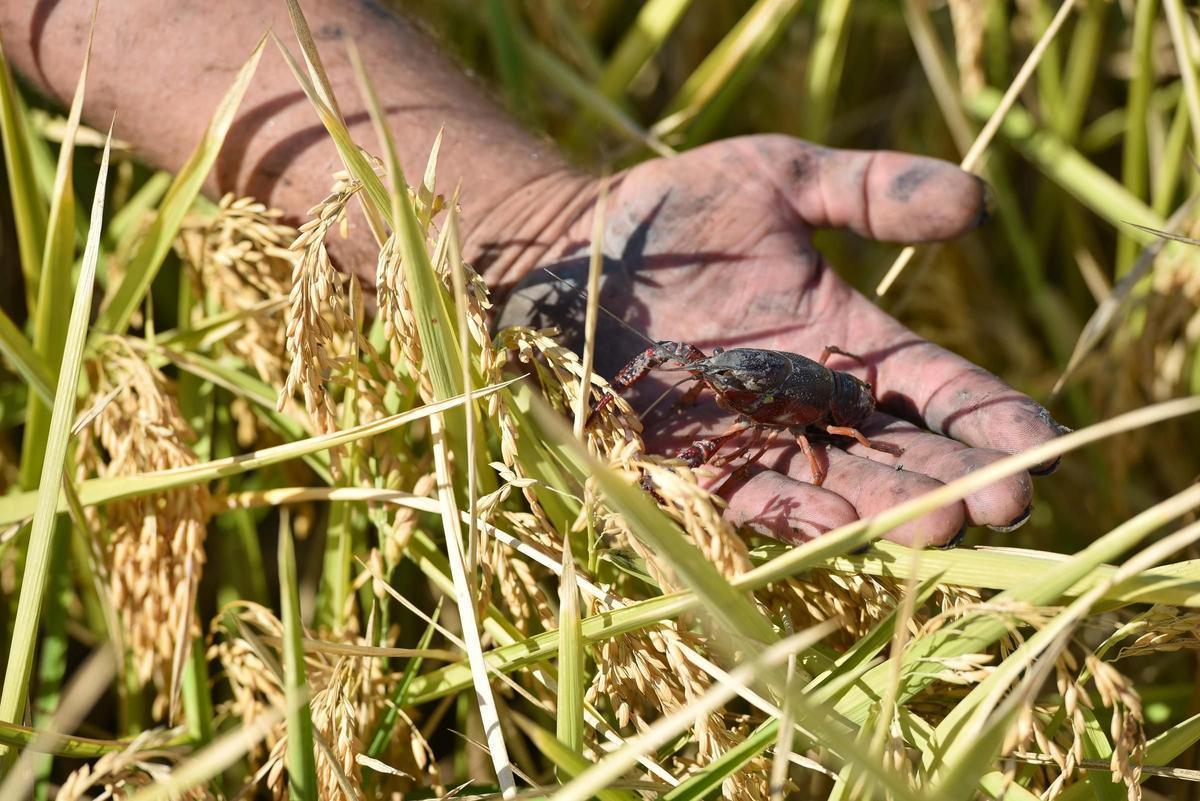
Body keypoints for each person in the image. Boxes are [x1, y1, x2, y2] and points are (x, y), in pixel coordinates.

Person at [0, 0, 1064, 547]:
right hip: (783, 379)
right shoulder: (736, 369)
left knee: (760, 417)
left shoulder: (814, 404)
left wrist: (521, 225)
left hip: (830, 402)